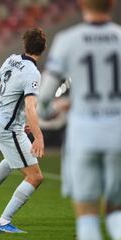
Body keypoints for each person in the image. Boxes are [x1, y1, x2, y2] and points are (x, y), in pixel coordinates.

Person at [38, 0, 121, 239]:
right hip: (117, 132)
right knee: (116, 211)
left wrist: (48, 112)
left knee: (87, 214)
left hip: (84, 134)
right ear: (112, 4)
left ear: (82, 3)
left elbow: (45, 95)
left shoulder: (68, 40)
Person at [0, 27, 47, 233]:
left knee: (11, 158)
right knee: (35, 176)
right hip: (7, 128)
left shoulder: (11, 59)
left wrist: (8, 117)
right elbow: (30, 107)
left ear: (24, 45)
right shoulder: (33, 73)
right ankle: (4, 222)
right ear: (43, 48)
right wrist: (38, 136)